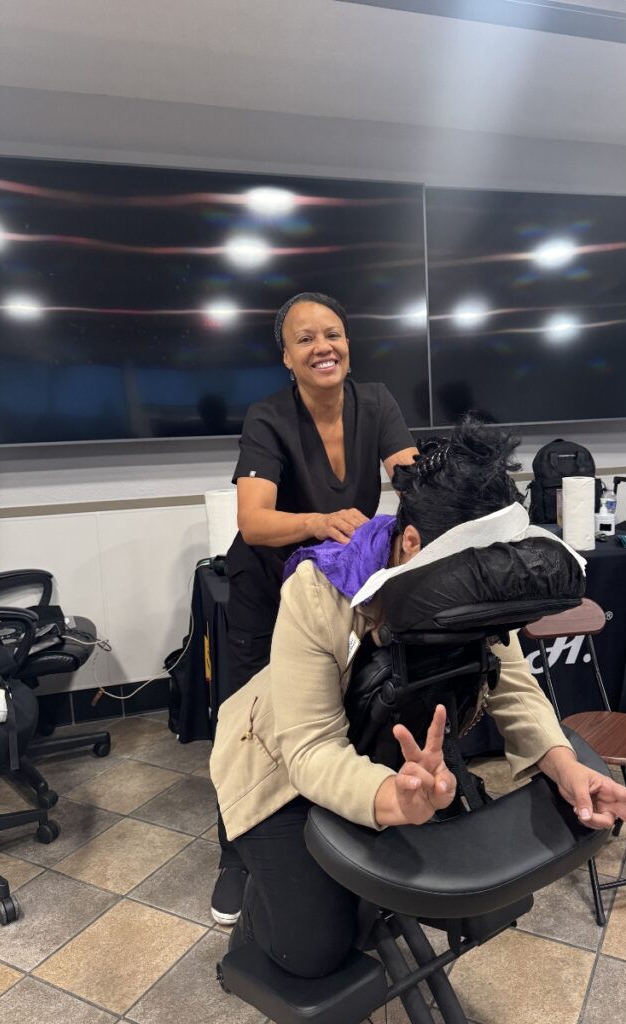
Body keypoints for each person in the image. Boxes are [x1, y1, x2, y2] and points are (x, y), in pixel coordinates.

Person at [210, 418, 626, 980]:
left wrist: (563, 765)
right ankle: (256, 901)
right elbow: (309, 747)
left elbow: (512, 682)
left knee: (435, 898)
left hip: (390, 749)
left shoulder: (476, 575)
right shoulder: (320, 589)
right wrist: (390, 801)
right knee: (315, 950)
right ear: (413, 543)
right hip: (277, 764)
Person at [212, 292, 418, 924]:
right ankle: (233, 856)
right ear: (286, 356)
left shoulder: (376, 401)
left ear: (348, 344)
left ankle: (326, 832)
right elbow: (254, 523)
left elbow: (412, 478)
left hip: (327, 593)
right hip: (262, 590)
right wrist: (320, 520)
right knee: (248, 727)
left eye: (333, 333)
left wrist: (429, 513)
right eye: (306, 339)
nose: (322, 346)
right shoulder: (268, 417)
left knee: (325, 720)